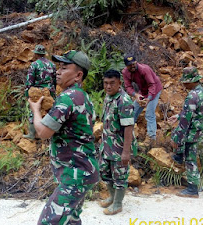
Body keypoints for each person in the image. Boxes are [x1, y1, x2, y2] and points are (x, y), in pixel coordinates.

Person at [28, 50, 99, 224]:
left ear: (78, 75)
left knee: (48, 222)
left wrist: (36, 111)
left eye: (64, 68)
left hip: (75, 175)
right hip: (82, 172)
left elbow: (43, 132)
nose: (58, 71)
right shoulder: (83, 97)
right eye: (59, 67)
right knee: (71, 220)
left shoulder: (67, 99)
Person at [99, 69, 138, 215]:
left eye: (112, 83)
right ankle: (112, 197)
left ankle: (117, 203)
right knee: (105, 171)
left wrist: (126, 152)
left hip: (119, 146)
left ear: (119, 83)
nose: (108, 86)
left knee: (119, 176)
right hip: (107, 144)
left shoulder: (124, 101)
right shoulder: (109, 97)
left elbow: (128, 127)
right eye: (106, 83)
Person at [168, 67, 203, 198]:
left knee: (190, 157)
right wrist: (178, 115)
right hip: (200, 129)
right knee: (189, 152)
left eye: (186, 82)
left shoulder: (192, 95)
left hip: (192, 131)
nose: (184, 84)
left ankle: (192, 189)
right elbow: (195, 112)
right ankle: (179, 158)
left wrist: (176, 138)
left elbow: (186, 121)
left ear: (192, 81)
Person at [122, 54, 162, 147]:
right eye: (129, 65)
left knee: (149, 113)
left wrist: (148, 99)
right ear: (126, 65)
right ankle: (128, 136)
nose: (132, 66)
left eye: (133, 64)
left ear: (136, 62)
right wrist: (136, 95)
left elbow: (152, 85)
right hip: (142, 92)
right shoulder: (125, 72)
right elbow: (128, 86)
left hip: (154, 90)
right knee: (133, 112)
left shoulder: (144, 69)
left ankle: (151, 139)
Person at [23, 44, 56, 139]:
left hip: (37, 92)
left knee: (34, 111)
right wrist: (53, 93)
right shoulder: (52, 65)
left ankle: (32, 134)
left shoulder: (34, 65)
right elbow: (54, 80)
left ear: (36, 54)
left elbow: (29, 82)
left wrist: (27, 94)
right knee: (51, 111)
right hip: (49, 91)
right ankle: (51, 135)